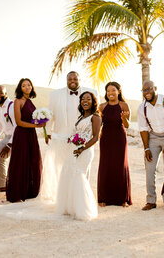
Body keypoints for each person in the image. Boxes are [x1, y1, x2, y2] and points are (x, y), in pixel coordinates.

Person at [42, 71, 97, 201]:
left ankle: (81, 198)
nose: (72, 81)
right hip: (61, 137)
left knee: (82, 169)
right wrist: (48, 132)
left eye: (75, 78)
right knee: (62, 168)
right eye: (69, 79)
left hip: (84, 137)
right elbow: (50, 114)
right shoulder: (55, 94)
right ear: (66, 80)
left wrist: (91, 137)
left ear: (80, 79)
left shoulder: (91, 92)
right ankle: (63, 198)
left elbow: (96, 114)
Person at [56, 91, 101, 220]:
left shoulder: (95, 117)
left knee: (78, 175)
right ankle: (70, 207)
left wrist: (82, 148)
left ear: (93, 102)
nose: (85, 101)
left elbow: (96, 137)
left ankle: (83, 210)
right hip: (74, 149)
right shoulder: (81, 117)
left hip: (85, 150)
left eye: (88, 99)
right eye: (83, 99)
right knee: (68, 174)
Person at [137, 80, 164, 213]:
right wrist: (146, 148)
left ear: (155, 88)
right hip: (153, 138)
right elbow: (143, 129)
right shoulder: (142, 107)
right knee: (150, 168)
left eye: (149, 89)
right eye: (144, 91)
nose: (146, 93)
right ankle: (151, 200)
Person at [6, 78, 45, 202]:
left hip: (31, 135)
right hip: (22, 135)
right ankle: (17, 193)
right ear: (20, 88)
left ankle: (30, 191)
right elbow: (19, 122)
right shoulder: (18, 101)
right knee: (20, 163)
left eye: (29, 85)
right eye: (24, 85)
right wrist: (36, 126)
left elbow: (32, 119)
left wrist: (42, 121)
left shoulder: (30, 101)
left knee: (33, 161)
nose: (27, 87)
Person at [97, 82, 132, 207]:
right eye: (108, 91)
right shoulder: (102, 106)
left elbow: (127, 125)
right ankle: (104, 198)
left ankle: (122, 199)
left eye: (113, 90)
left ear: (119, 91)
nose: (110, 93)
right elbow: (98, 124)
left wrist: (123, 118)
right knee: (105, 166)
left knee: (120, 165)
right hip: (105, 138)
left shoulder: (124, 105)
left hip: (119, 138)